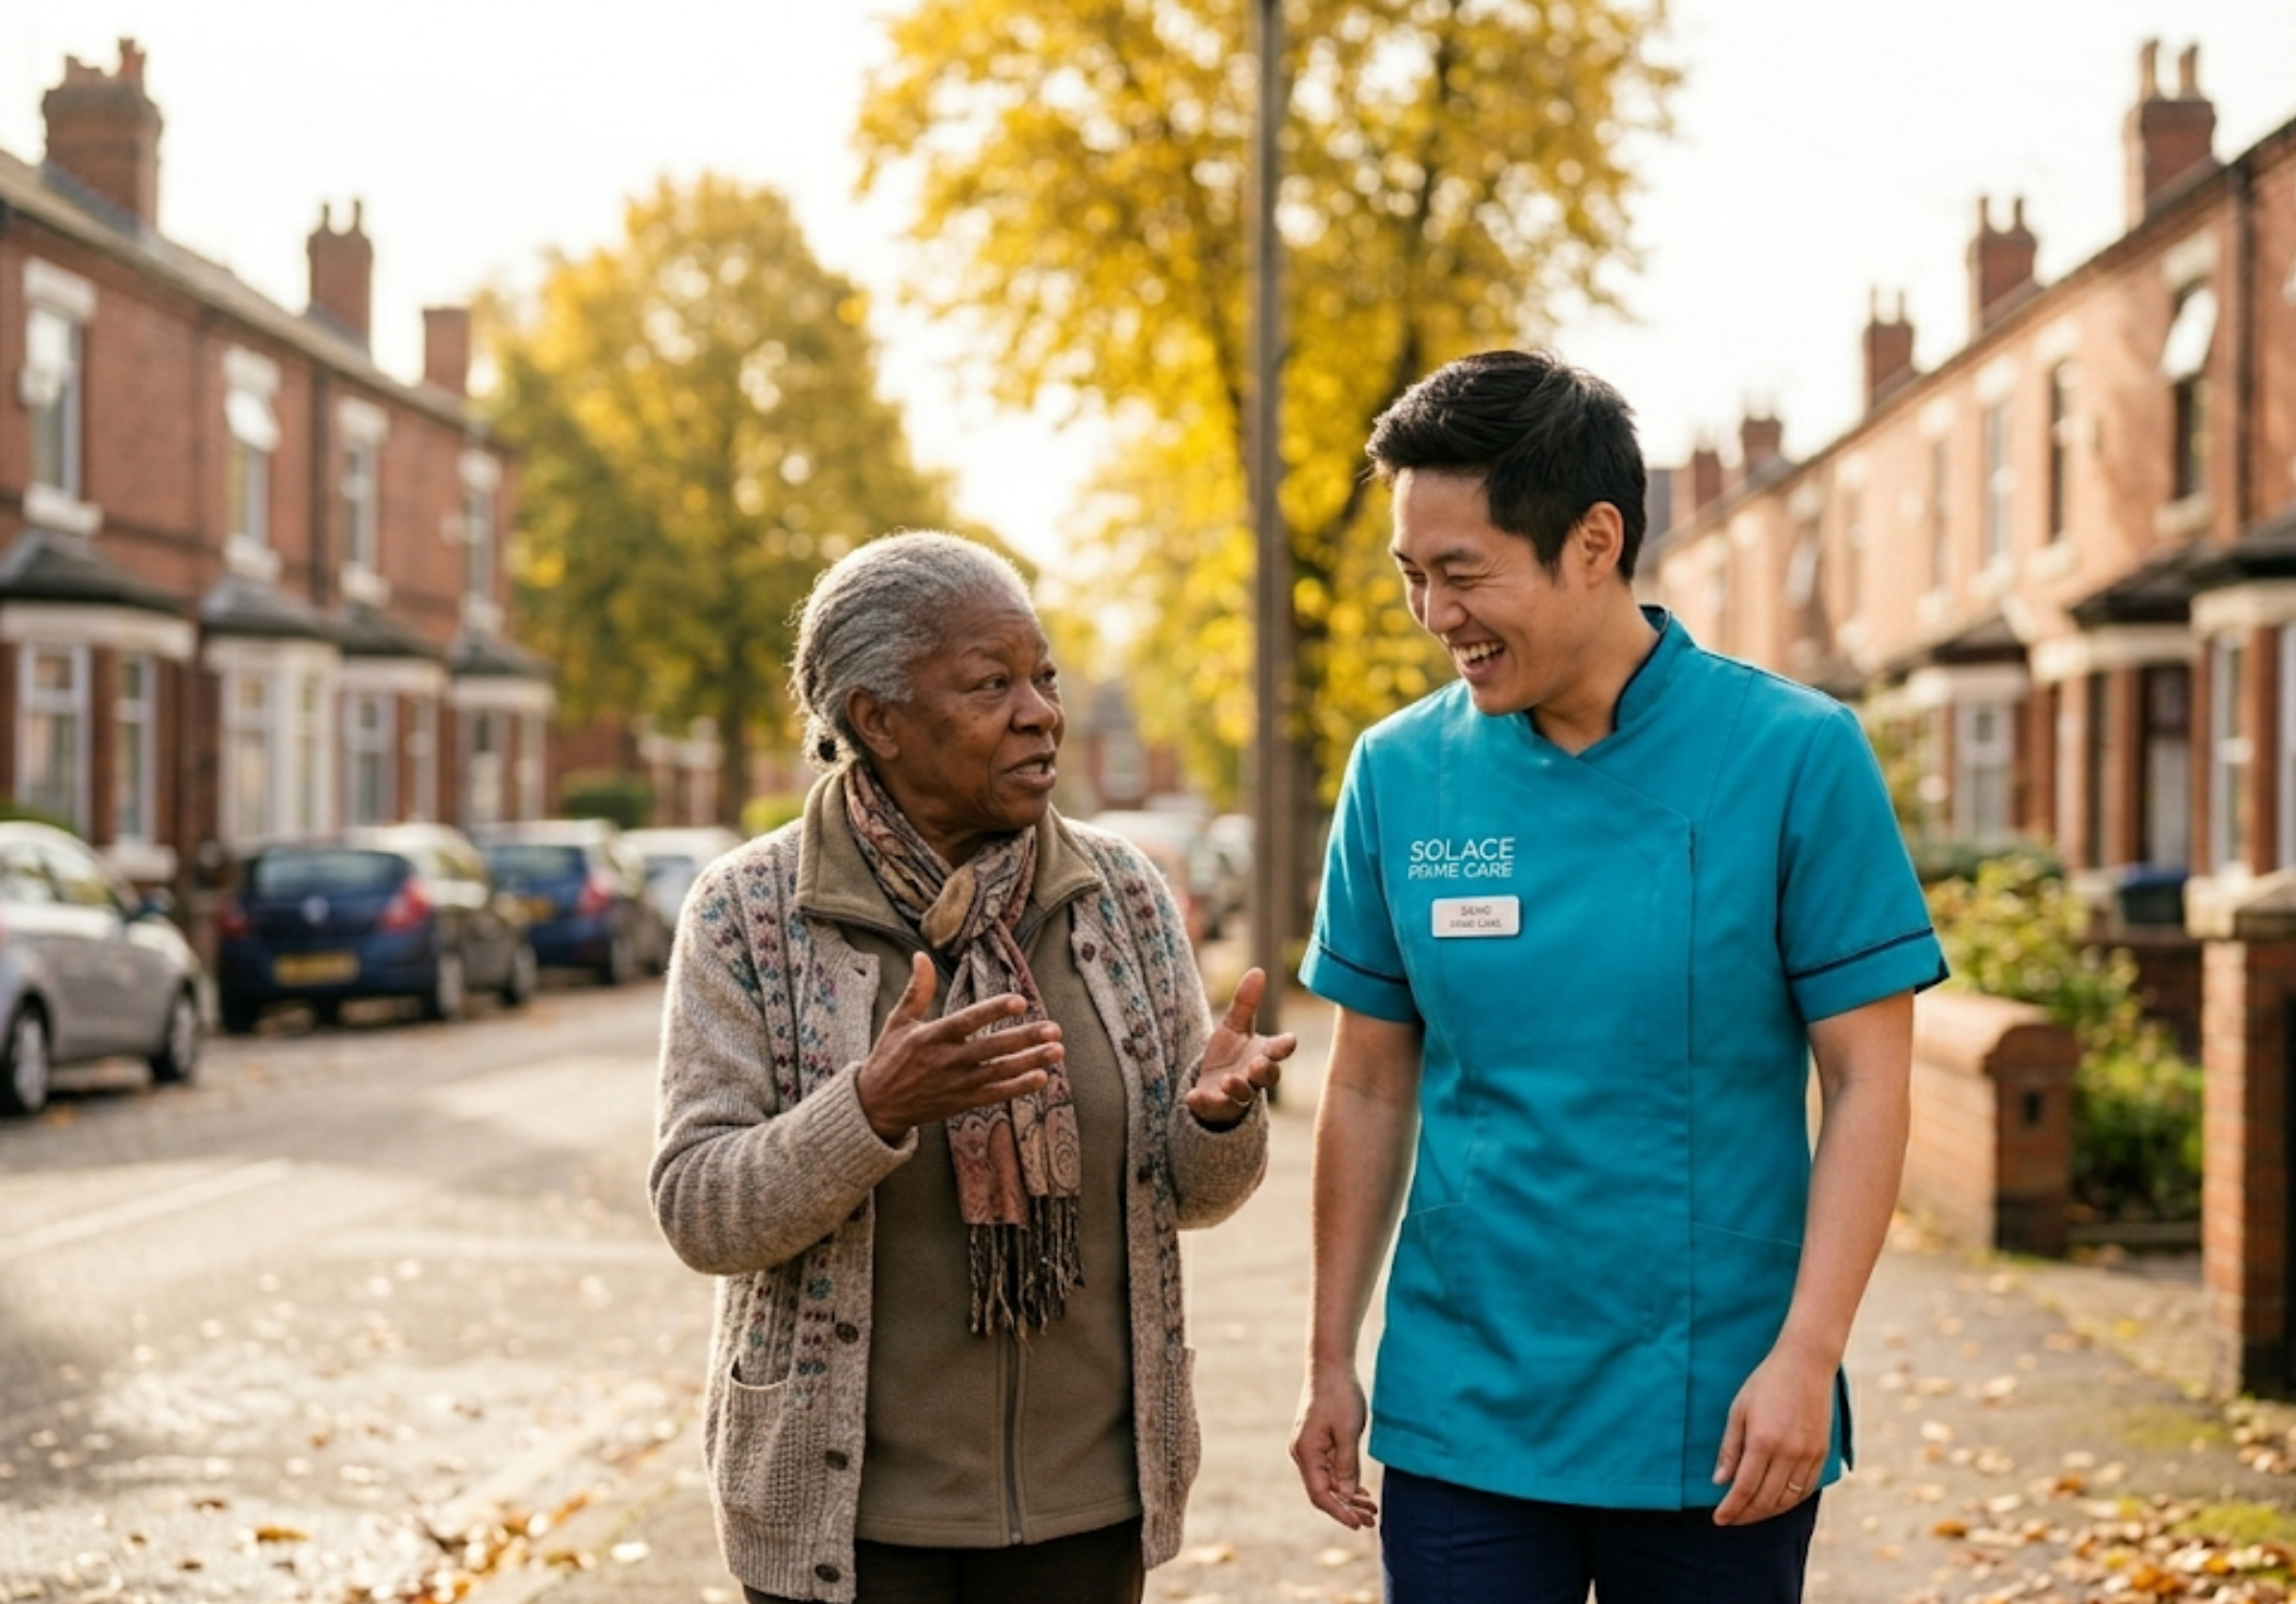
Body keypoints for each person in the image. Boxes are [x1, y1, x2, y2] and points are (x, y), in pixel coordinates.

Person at [1287, 350, 1945, 1603]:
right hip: (1463, 1414)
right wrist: (1330, 1355)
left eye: (1464, 572)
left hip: (1716, 1412)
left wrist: (1808, 1356)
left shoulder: (1796, 756)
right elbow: (1369, 1083)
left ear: (1594, 542)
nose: (1435, 615)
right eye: (1412, 577)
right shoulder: (1397, 776)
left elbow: (1867, 1079)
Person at [651, 530, 1293, 1604]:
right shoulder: (747, 911)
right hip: (848, 1528)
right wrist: (870, 1109)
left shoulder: (1122, 896)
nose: (1041, 710)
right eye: (991, 684)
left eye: (1043, 676)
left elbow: (1190, 1197)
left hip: (1087, 1509)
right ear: (879, 720)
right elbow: (700, 1211)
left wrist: (1216, 1123)